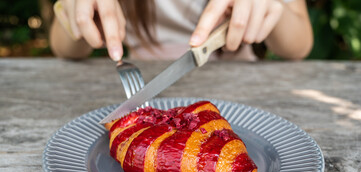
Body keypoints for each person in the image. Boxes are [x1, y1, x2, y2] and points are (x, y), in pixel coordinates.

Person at [50, 0, 313, 62]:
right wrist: (79, 14)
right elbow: (61, 46)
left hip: (242, 89)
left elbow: (299, 46)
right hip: (146, 83)